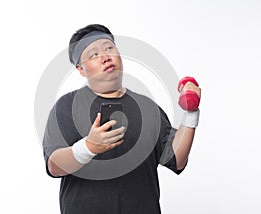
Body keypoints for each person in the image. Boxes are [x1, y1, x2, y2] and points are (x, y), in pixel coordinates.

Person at [42, 24, 201, 214]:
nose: (105, 57)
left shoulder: (148, 109)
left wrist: (190, 113)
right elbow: (55, 166)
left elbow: (177, 159)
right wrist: (89, 147)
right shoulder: (67, 105)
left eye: (109, 48)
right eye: (93, 54)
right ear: (81, 69)